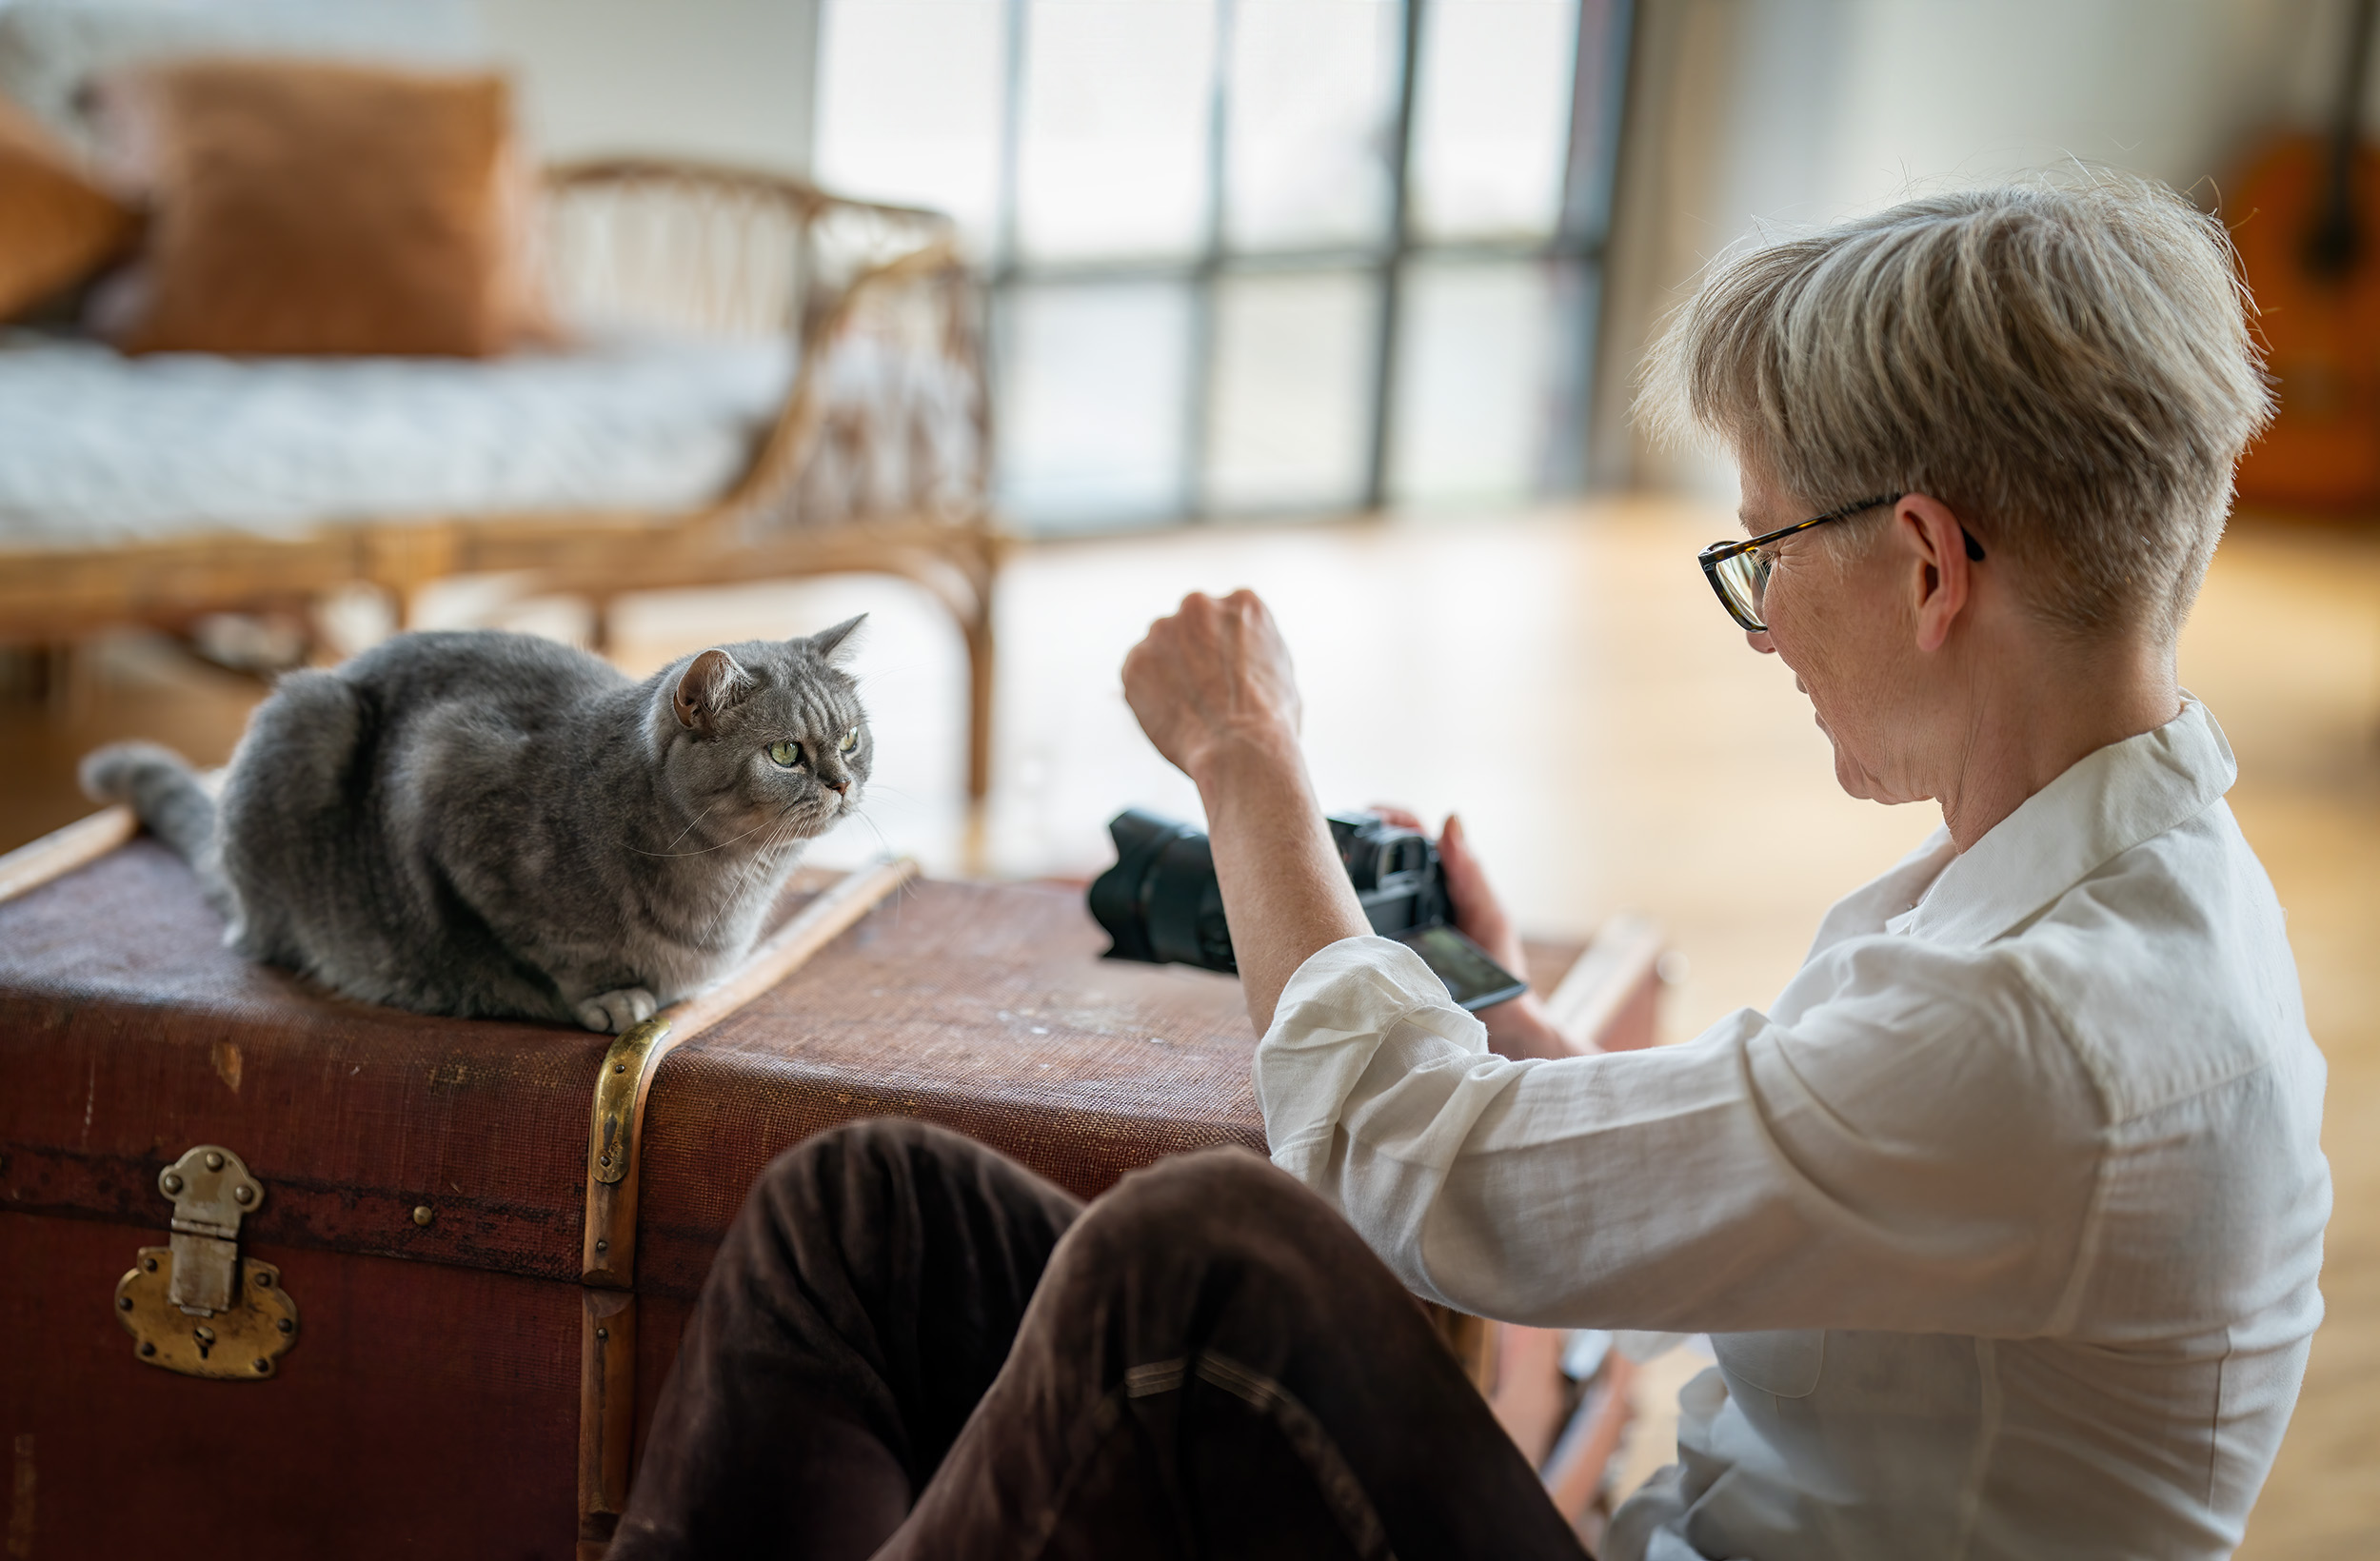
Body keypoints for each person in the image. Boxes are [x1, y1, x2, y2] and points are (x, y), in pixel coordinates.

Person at [611, 170, 2328, 1561]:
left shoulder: (2038, 1026)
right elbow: (1799, 1196)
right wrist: (1496, 1009)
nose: (1761, 626)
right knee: (871, 1215)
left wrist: (1243, 760)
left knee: (1200, 1258)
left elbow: (1404, 1176)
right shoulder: (2103, 886)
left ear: (1929, 563)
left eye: (1763, 554)